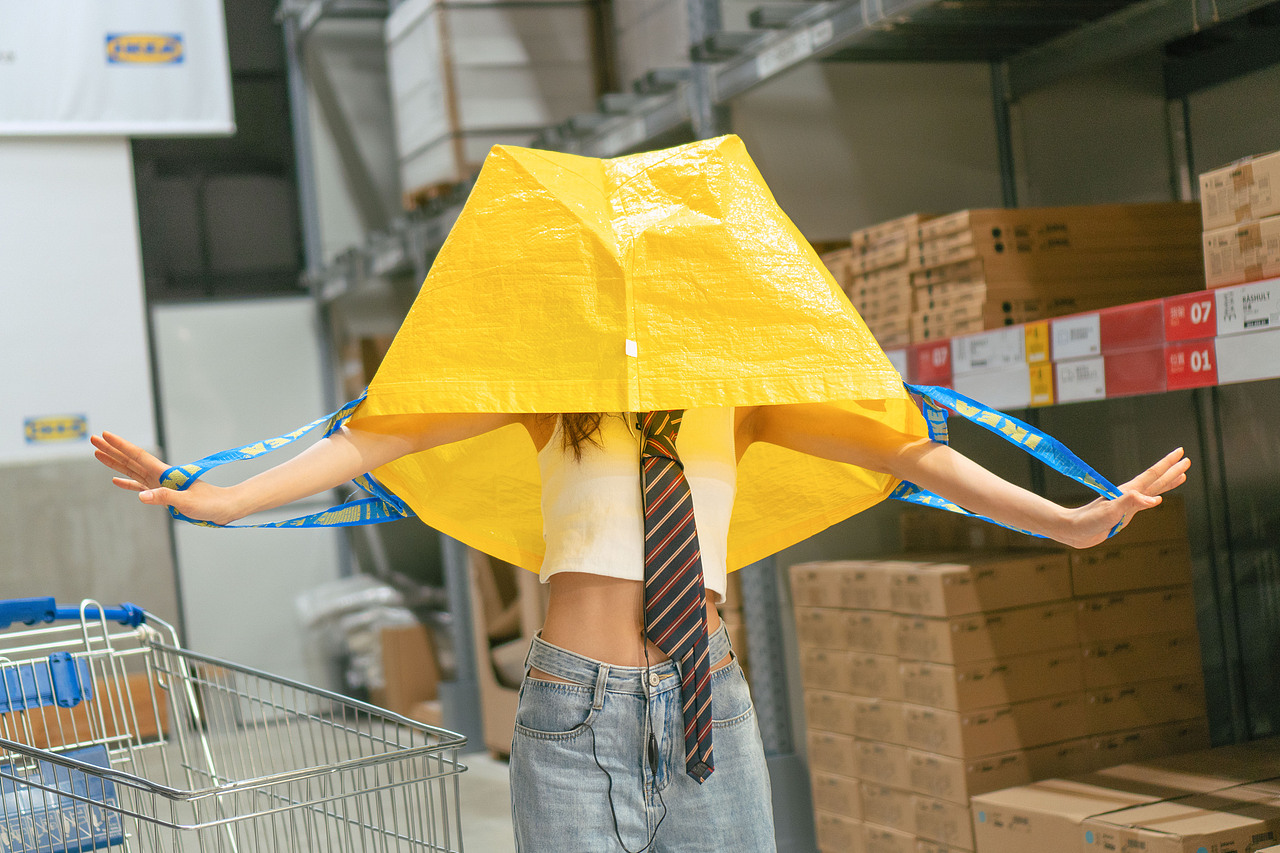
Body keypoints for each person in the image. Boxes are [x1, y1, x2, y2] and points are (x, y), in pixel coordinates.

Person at [93, 136, 1190, 852]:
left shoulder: (744, 402)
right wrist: (225, 500)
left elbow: (908, 452)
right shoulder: (542, 395)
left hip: (710, 698)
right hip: (575, 711)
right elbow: (380, 433)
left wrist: (1067, 517)